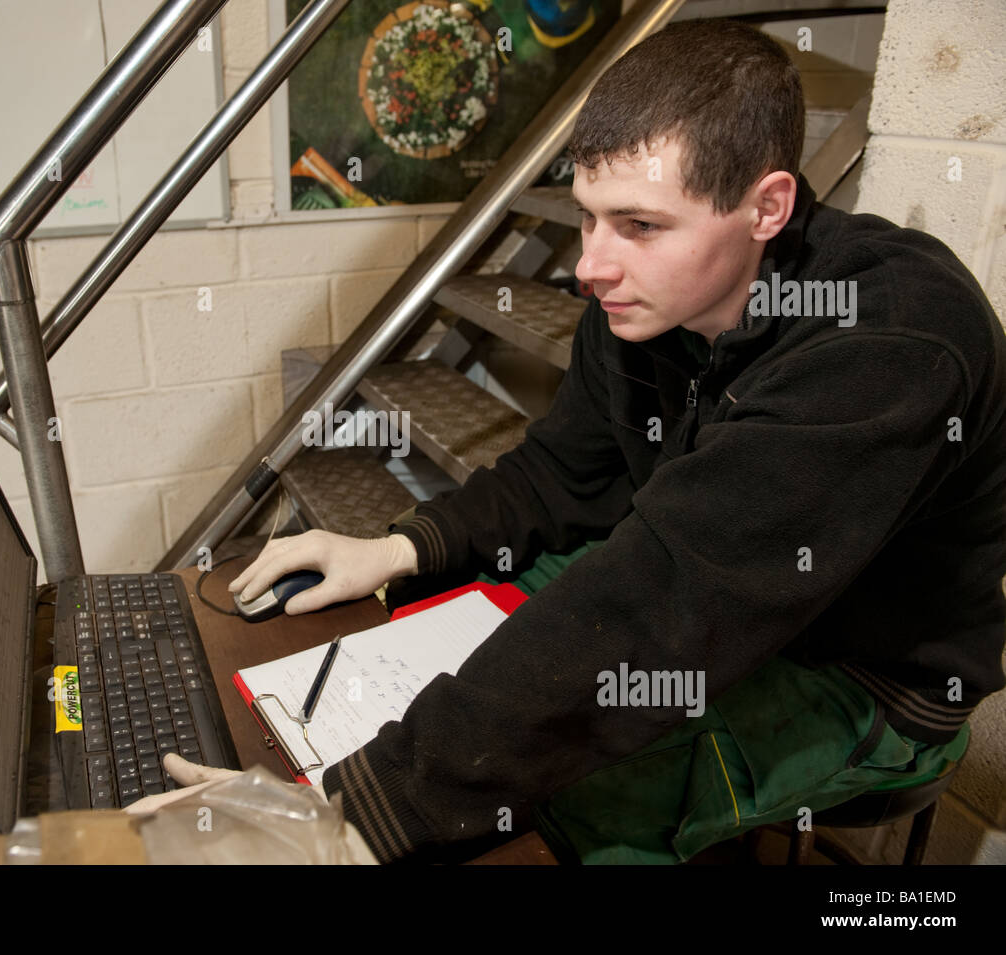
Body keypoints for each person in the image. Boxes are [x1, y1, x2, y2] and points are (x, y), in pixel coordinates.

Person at [139, 18, 1006, 863]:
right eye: (589, 217)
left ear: (766, 207)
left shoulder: (886, 340)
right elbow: (562, 475)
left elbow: (659, 605)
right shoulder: (643, 302)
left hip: (859, 670)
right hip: (697, 589)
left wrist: (350, 821)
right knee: (433, 640)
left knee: (556, 797)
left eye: (639, 224)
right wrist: (399, 547)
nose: (592, 262)